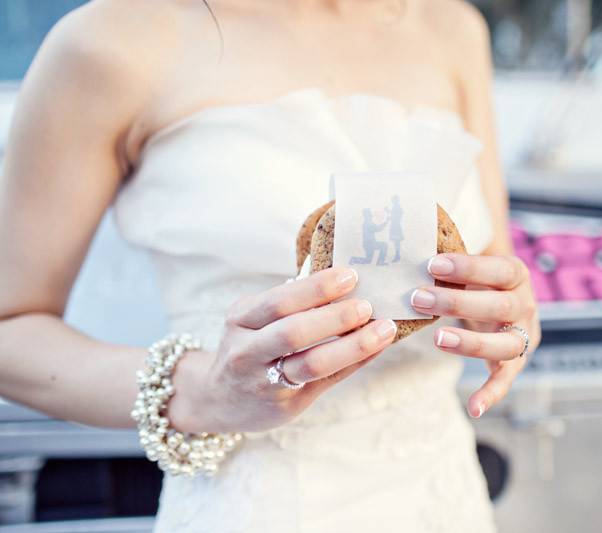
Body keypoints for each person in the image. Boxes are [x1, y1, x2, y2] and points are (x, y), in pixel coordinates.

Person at [0, 0, 541, 531]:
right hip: (261, 504)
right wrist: (202, 392)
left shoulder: (453, 26)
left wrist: (506, 317)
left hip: (441, 496)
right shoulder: (111, 40)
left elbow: (493, 271)